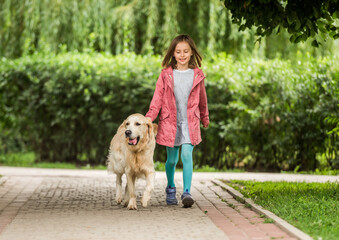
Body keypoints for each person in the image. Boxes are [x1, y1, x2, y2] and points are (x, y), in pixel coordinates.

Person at [145, 34, 209, 208]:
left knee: (187, 154)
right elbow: (157, 98)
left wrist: (204, 116)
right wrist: (149, 118)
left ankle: (187, 192)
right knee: (172, 160)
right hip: (170, 123)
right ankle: (170, 186)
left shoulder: (197, 75)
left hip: (190, 123)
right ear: (173, 53)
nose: (182, 55)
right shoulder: (166, 74)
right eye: (178, 51)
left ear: (191, 53)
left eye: (186, 51)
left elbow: (202, 99)